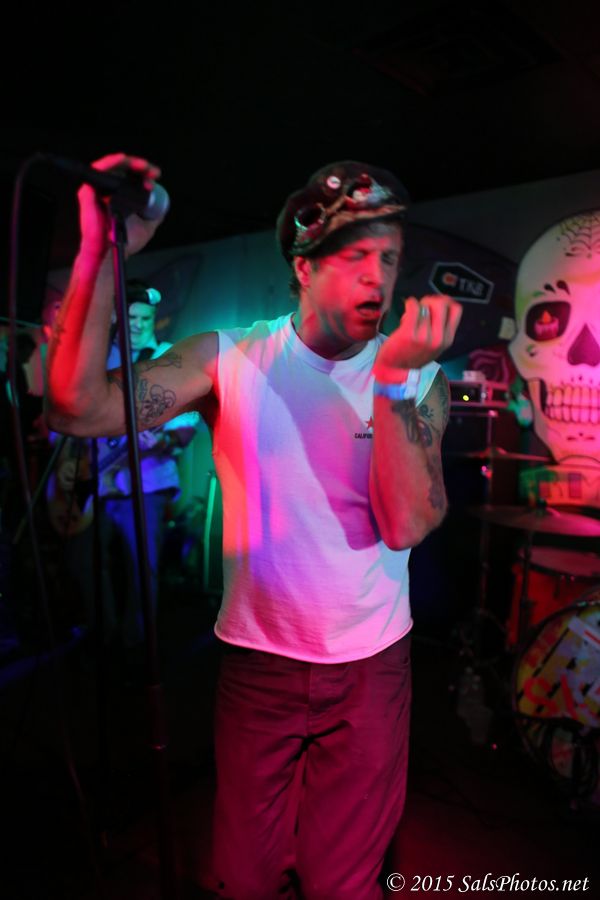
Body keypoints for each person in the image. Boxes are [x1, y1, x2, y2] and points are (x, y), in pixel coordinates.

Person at [46, 154, 462, 899]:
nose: (377, 277)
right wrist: (101, 256)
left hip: (369, 667)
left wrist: (394, 382)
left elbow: (406, 523)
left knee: (342, 884)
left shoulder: (418, 376)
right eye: (355, 257)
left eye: (389, 258)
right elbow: (77, 410)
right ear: (304, 267)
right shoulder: (229, 357)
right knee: (242, 878)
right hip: (258, 663)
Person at [48, 279, 199, 659]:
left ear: (154, 318)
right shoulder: (98, 358)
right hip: (93, 482)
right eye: (130, 317)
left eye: (145, 318)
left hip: (146, 483)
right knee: (85, 562)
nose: (137, 325)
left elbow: (184, 429)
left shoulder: (167, 358)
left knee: (141, 569)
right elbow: (68, 416)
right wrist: (66, 462)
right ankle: (101, 634)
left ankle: (137, 647)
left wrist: (163, 440)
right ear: (117, 316)